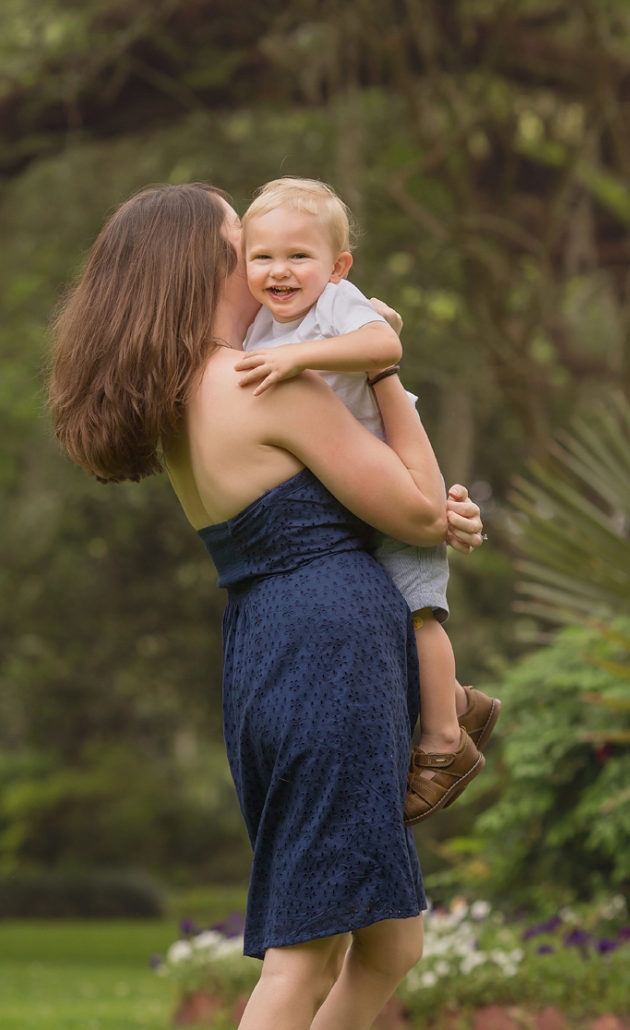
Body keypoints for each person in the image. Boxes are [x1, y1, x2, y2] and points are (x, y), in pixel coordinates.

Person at [48, 182, 485, 1030]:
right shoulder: (263, 383)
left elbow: (371, 502)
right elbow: (420, 510)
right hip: (329, 653)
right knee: (305, 954)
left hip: (268, 650)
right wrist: (385, 367)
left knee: (390, 944)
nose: (265, 267)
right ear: (209, 268)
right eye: (241, 245)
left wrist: (424, 502)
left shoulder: (184, 398)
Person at [234, 177, 500, 825]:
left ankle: (443, 741)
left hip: (396, 476)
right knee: (388, 610)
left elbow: (385, 345)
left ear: (337, 266)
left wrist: (302, 358)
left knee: (417, 610)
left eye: (299, 256)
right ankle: (458, 701)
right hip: (348, 497)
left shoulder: (334, 307)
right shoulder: (256, 330)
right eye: (261, 256)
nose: (279, 271)